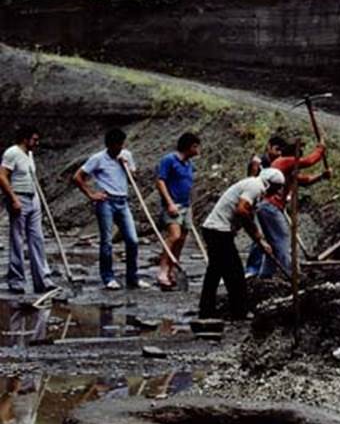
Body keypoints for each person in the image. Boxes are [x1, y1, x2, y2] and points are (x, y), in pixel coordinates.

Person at [198, 168, 282, 321]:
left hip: (215, 230)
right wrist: (258, 237)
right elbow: (242, 211)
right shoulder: (255, 186)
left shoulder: (255, 188)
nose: (277, 192)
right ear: (270, 184)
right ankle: (238, 312)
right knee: (234, 273)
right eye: (276, 188)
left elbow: (246, 216)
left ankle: (206, 311)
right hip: (218, 231)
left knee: (215, 272)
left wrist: (260, 240)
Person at [73, 127, 150, 290]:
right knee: (107, 242)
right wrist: (91, 194)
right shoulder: (98, 159)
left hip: (123, 201)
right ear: (110, 145)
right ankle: (108, 277)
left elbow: (133, 179)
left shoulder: (126, 155)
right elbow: (78, 177)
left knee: (133, 240)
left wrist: (126, 167)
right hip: (106, 201)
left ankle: (132, 277)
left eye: (122, 145)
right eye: (117, 145)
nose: (120, 148)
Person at [245, 138, 330, 280]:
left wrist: (322, 176)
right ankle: (290, 275)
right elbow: (309, 161)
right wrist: (320, 149)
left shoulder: (287, 169)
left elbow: (304, 181)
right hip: (270, 207)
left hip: (269, 208)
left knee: (273, 243)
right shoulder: (283, 161)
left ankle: (266, 275)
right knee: (282, 241)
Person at [0, 126, 54, 295]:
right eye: (34, 139)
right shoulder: (12, 153)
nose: (37, 143)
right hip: (19, 197)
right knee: (17, 239)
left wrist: (37, 198)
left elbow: (31, 176)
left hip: (33, 197)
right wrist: (13, 198)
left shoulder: (29, 155)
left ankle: (42, 280)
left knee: (37, 238)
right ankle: (16, 281)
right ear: (25, 139)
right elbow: (2, 176)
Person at [155, 131, 201, 290]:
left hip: (186, 205)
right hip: (173, 204)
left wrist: (191, 205)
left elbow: (189, 185)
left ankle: (174, 267)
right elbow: (160, 181)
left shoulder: (189, 164)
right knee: (174, 235)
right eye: (196, 146)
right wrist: (169, 203)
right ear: (189, 147)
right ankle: (163, 269)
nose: (198, 150)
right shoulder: (169, 160)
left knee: (182, 239)